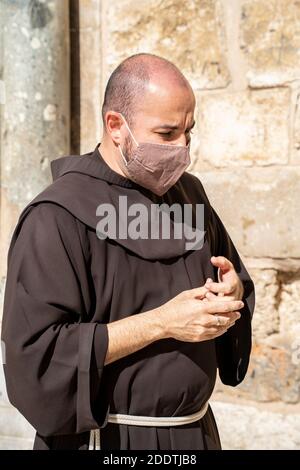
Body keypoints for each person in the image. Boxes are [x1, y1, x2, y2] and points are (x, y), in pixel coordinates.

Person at [1, 53, 255, 450]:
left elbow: (235, 279)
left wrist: (232, 294)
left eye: (189, 131)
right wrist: (161, 323)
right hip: (108, 440)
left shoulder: (190, 196)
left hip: (195, 434)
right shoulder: (56, 216)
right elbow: (38, 353)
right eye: (167, 133)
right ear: (116, 126)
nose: (183, 147)